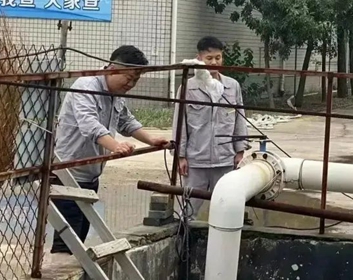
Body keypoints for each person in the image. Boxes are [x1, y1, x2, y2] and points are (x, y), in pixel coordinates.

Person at [51, 45, 170, 254]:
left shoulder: (116, 93)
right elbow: (89, 124)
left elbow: (126, 121)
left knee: (79, 235)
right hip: (68, 173)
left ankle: (72, 265)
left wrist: (151, 140)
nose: (131, 84)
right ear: (113, 69)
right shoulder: (86, 86)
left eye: (136, 80)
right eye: (129, 78)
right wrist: (116, 146)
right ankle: (59, 267)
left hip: (91, 174)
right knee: (67, 240)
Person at [172, 36, 248, 219]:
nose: (214, 62)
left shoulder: (232, 86)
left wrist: (240, 150)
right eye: (209, 58)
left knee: (226, 207)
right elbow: (179, 123)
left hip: (225, 160)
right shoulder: (188, 88)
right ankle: (185, 235)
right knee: (189, 209)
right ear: (199, 58)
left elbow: (239, 119)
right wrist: (180, 156)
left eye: (218, 57)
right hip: (196, 160)